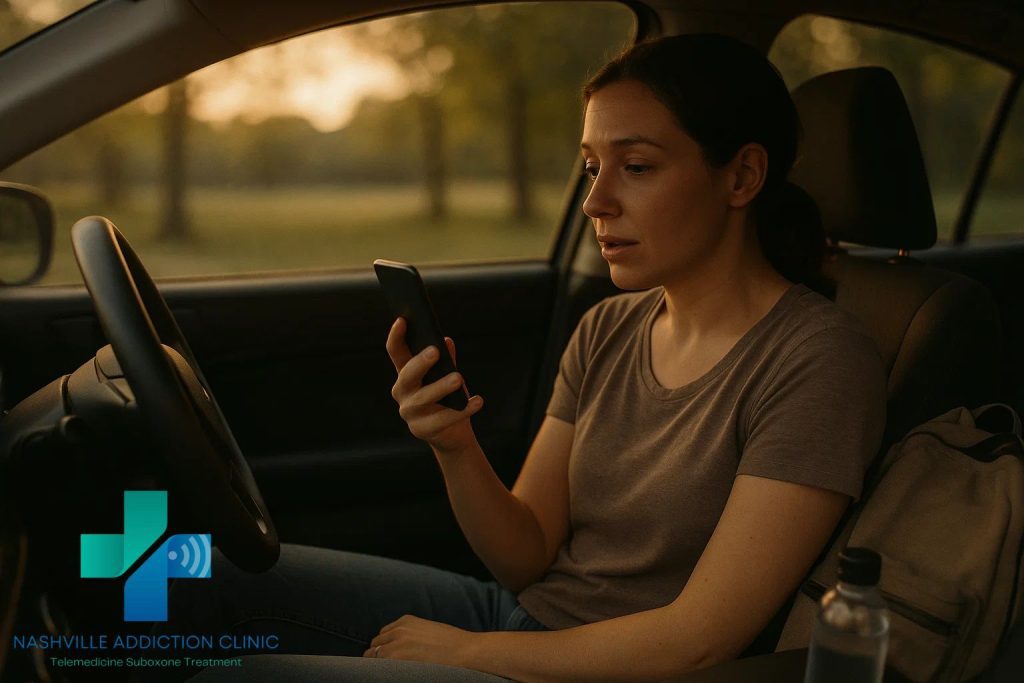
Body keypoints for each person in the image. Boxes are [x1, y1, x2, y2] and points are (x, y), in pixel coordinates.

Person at [160, 33, 886, 682]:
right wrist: (453, 444)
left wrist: (467, 653)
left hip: (601, 668)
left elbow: (697, 641)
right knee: (165, 574)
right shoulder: (607, 326)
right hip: (517, 622)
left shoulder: (817, 362)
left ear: (741, 178)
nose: (595, 201)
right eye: (590, 165)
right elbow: (526, 555)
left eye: (635, 166)